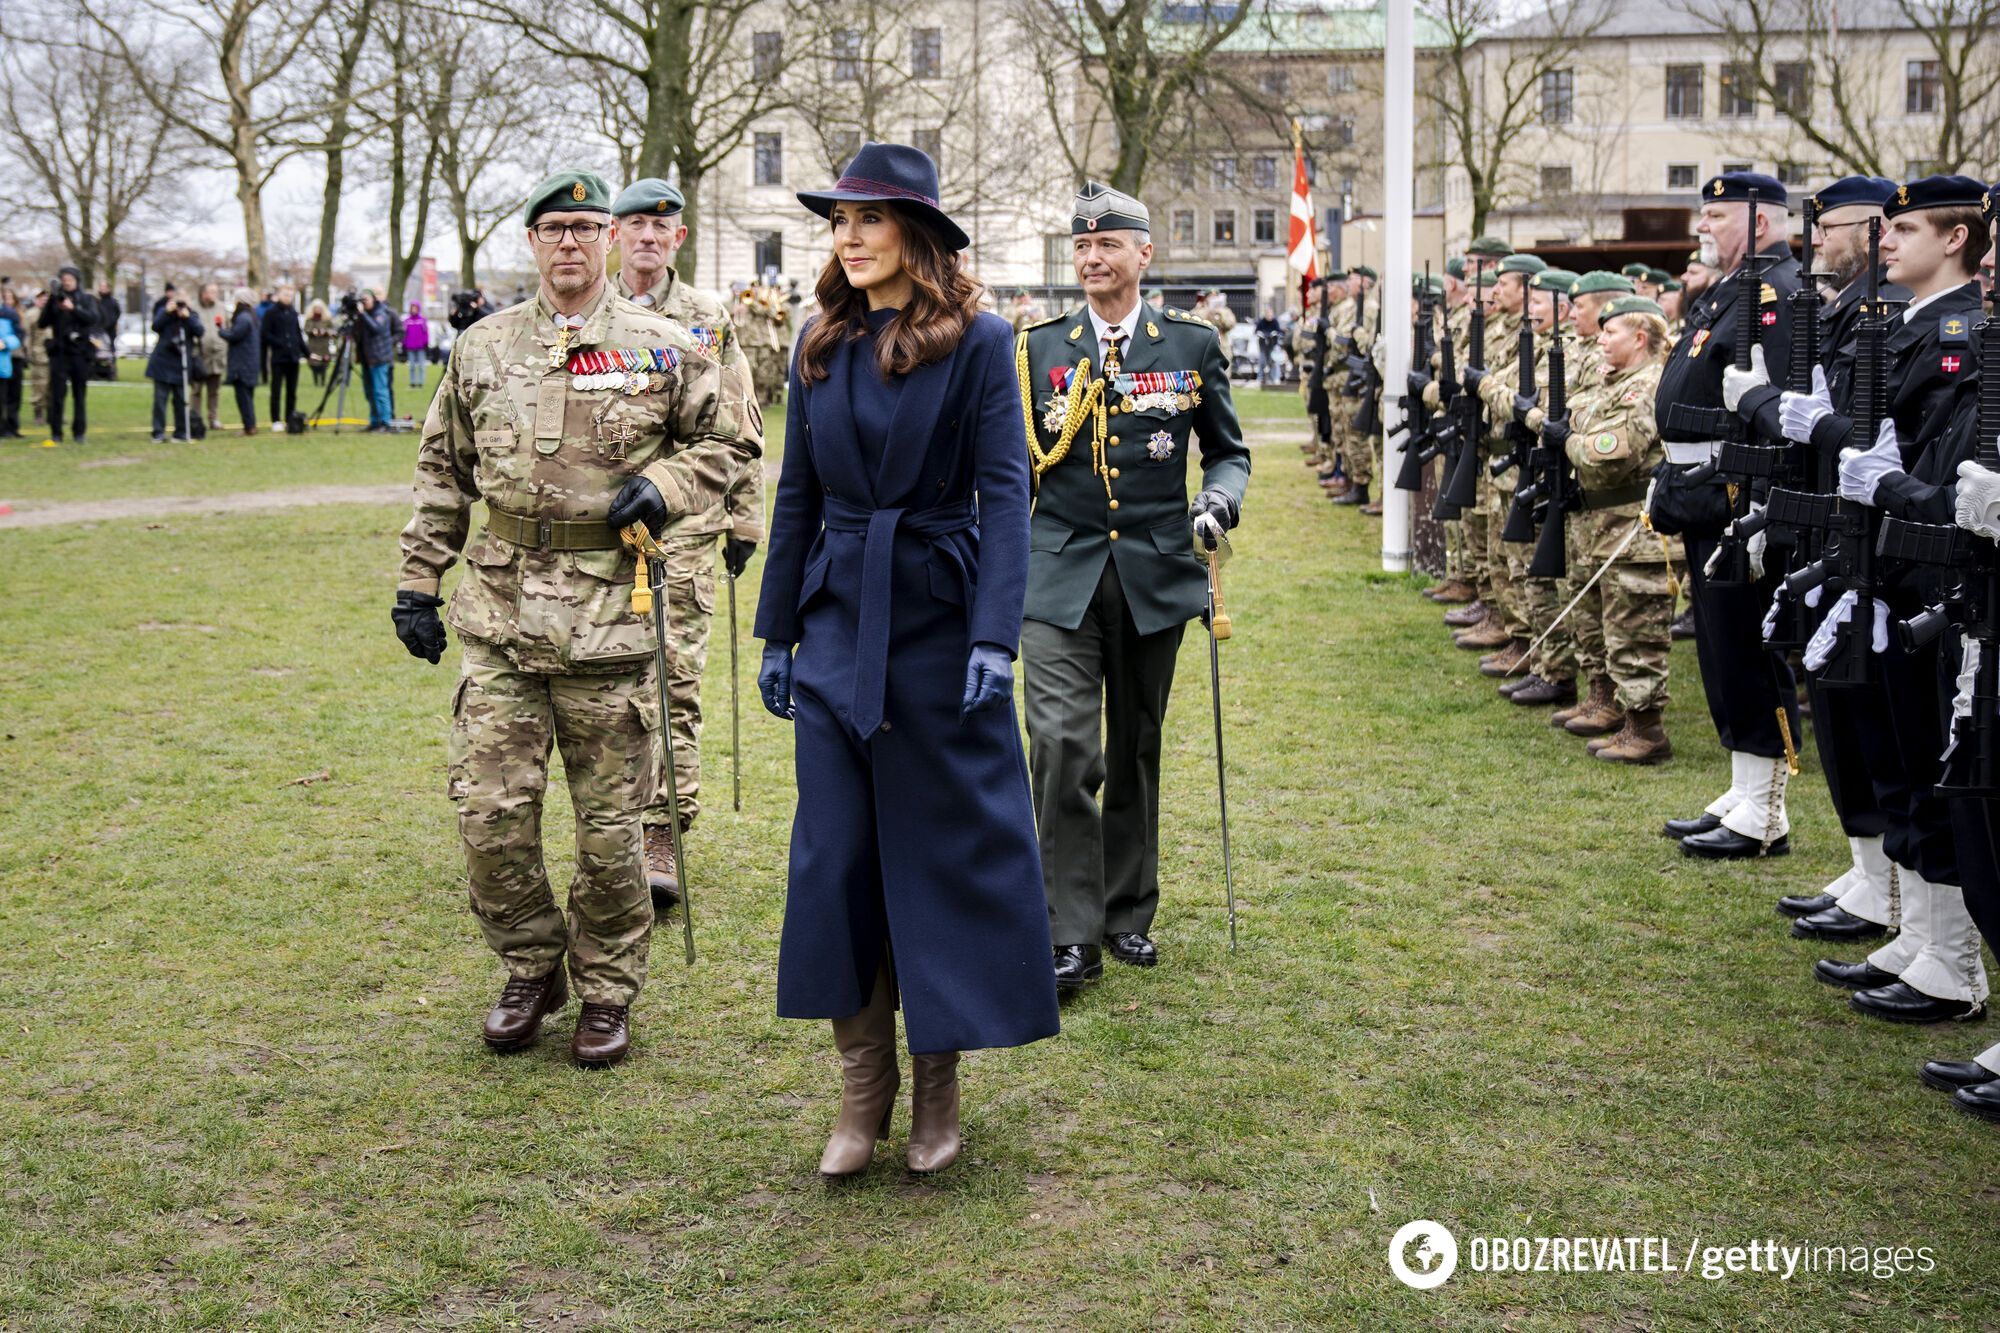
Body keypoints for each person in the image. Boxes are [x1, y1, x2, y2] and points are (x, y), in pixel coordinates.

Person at [393, 169, 756, 1068]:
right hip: (502, 616)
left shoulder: (664, 345)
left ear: (609, 240)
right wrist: (417, 581)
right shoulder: (480, 347)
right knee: (489, 820)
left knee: (612, 836)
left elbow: (732, 440)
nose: (569, 242)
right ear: (531, 241)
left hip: (613, 622)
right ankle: (530, 967)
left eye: (585, 228)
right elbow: (444, 469)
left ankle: (605, 991)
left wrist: (670, 484)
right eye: (554, 227)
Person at [753, 143, 1057, 1177]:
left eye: (868, 218)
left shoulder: (978, 341)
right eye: (838, 217)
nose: (846, 233)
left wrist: (992, 636)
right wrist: (776, 631)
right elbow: (795, 494)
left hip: (937, 625)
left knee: (932, 864)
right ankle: (859, 1091)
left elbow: (1006, 495)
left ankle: (936, 1087)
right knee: (836, 861)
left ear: (913, 234)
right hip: (837, 623)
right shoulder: (819, 340)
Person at [1016, 181, 1251, 992]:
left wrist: (1219, 497)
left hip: (1154, 570)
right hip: (1058, 571)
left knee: (1135, 743)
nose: (1090, 257)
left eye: (1107, 244)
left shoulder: (1188, 344)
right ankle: (1067, 929)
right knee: (1061, 744)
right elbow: (1014, 467)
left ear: (1143, 253)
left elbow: (1227, 449)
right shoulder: (1040, 348)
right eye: (1080, 246)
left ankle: (1126, 909)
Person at [1735, 176, 1907, 940]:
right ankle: (1870, 870)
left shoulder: (1886, 313)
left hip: (1873, 543)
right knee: (1839, 716)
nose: (1818, 239)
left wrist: (1771, 406)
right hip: (1826, 530)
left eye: (1830, 225)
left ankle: (1898, 893)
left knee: (1873, 723)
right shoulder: (1840, 308)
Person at [611, 177, 767, 907]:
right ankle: (608, 826)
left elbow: (742, 418)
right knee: (605, 687)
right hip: (596, 540)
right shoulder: (591, 316)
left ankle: (663, 829)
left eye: (660, 227)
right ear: (615, 236)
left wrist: (745, 516)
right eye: (634, 224)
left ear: (678, 238)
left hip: (684, 534)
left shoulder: (707, 318)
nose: (647, 236)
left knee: (673, 682)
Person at [1649, 172, 1802, 862]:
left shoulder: (1778, 294)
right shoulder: (1731, 289)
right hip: (1703, 490)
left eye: (1716, 215)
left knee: (1745, 641)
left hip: (1741, 494)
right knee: (1716, 645)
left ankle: (1767, 805)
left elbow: (1780, 408)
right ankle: (1744, 787)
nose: (1702, 226)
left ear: (1761, 222)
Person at [37, 266, 98, 444]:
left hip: (79, 353)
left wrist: (73, 308)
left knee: (79, 395)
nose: (66, 282)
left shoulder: (86, 299)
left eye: (70, 279)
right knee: (57, 395)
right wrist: (52, 302)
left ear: (77, 280)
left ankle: (79, 432)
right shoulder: (55, 300)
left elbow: (93, 318)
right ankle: (56, 432)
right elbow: (42, 323)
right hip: (60, 353)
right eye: (64, 279)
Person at [146, 290, 204, 441]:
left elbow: (200, 331)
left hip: (181, 365)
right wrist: (166, 312)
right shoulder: (164, 312)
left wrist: (188, 317)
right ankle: (158, 432)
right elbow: (155, 326)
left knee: (181, 400)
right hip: (163, 363)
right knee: (160, 400)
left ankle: (181, 431)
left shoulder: (192, 315)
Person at [219, 286, 261, 435]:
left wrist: (221, 330)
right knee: (247, 396)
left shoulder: (243, 318)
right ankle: (250, 424)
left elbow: (235, 336)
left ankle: (249, 426)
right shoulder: (252, 316)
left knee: (243, 397)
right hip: (250, 362)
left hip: (243, 363)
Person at [264, 287, 307, 429]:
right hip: (278, 357)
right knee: (276, 389)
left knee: (291, 390)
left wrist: (306, 352)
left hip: (293, 357)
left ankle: (290, 417)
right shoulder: (271, 313)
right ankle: (276, 419)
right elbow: (265, 334)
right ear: (279, 295)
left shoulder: (293, 313)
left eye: (290, 295)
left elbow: (298, 335)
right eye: (285, 295)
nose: (288, 297)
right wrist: (280, 343)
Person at [354, 290, 397, 430]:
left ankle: (386, 422)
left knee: (380, 391)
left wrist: (362, 314)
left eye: (366, 299)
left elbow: (376, 328)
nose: (364, 303)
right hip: (366, 358)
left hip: (379, 358)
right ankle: (374, 421)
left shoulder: (381, 313)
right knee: (369, 392)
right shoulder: (364, 314)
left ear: (373, 299)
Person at [194, 283, 229, 431]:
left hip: (217, 355)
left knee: (214, 391)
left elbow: (226, 327)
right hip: (199, 356)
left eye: (216, 291)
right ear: (204, 293)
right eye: (212, 292)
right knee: (196, 389)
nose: (215, 294)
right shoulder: (193, 308)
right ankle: (194, 418)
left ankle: (213, 418)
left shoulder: (221, 308)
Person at [0, 288, 23, 438]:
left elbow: (19, 335)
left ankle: (9, 428)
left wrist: (6, 342)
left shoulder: (9, 314)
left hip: (4, 363)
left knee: (8, 397)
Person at [304, 300, 337, 386]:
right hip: (313, 344)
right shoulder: (309, 320)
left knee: (324, 362)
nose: (318, 310)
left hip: (323, 345)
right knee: (314, 362)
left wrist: (325, 332)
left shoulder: (327, 320)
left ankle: (322, 381)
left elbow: (333, 330)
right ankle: (316, 381)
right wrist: (312, 331)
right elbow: (306, 329)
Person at [94, 278, 121, 380]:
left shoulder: (112, 302)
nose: (102, 289)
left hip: (108, 332)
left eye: (104, 287)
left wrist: (104, 327)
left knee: (110, 352)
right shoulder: (98, 301)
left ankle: (112, 372)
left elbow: (114, 317)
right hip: (98, 332)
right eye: (101, 287)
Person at [403, 299, 430, 388]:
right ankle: (413, 382)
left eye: (415, 307)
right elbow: (404, 333)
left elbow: (426, 332)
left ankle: (421, 382)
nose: (413, 309)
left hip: (420, 347)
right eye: (412, 307)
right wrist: (404, 343)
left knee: (421, 366)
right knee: (412, 366)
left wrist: (426, 343)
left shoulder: (422, 320)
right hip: (410, 346)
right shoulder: (407, 321)